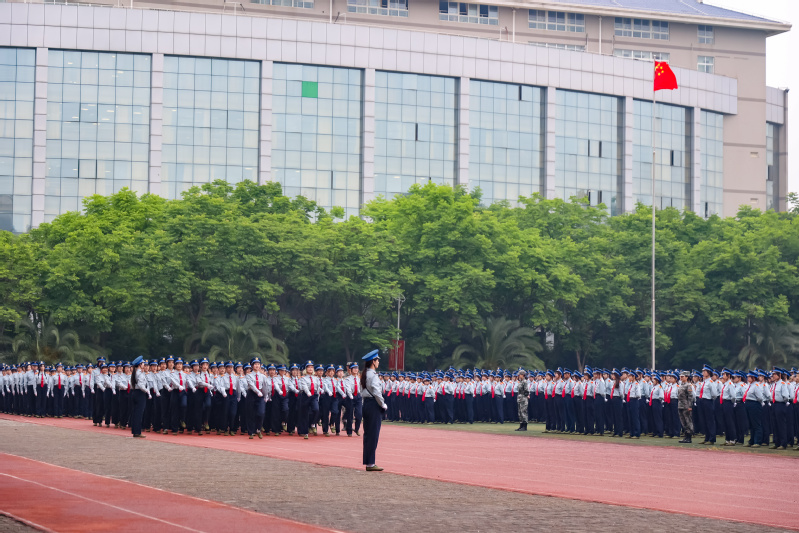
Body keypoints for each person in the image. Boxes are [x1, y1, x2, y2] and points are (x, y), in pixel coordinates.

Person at [360, 350, 387, 471]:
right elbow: (376, 392)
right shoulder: (373, 375)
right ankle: (370, 463)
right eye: (377, 360)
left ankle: (368, 461)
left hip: (366, 404)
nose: (378, 362)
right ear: (373, 362)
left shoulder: (364, 374)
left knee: (368, 434)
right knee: (373, 435)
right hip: (373, 405)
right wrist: (383, 404)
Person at [130, 356, 150, 438]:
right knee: (139, 414)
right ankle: (138, 432)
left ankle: (135, 431)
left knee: (135, 413)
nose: (144, 365)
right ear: (140, 364)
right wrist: (147, 391)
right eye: (143, 363)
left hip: (135, 393)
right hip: (140, 394)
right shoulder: (140, 373)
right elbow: (141, 385)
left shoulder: (135, 372)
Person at [677, 371, 695, 443]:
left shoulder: (688, 385)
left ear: (687, 377)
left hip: (686, 406)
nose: (681, 378)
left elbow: (690, 397)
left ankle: (689, 437)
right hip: (680, 405)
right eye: (680, 376)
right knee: (683, 422)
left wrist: (689, 406)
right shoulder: (681, 385)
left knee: (688, 421)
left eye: (682, 376)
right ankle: (685, 436)